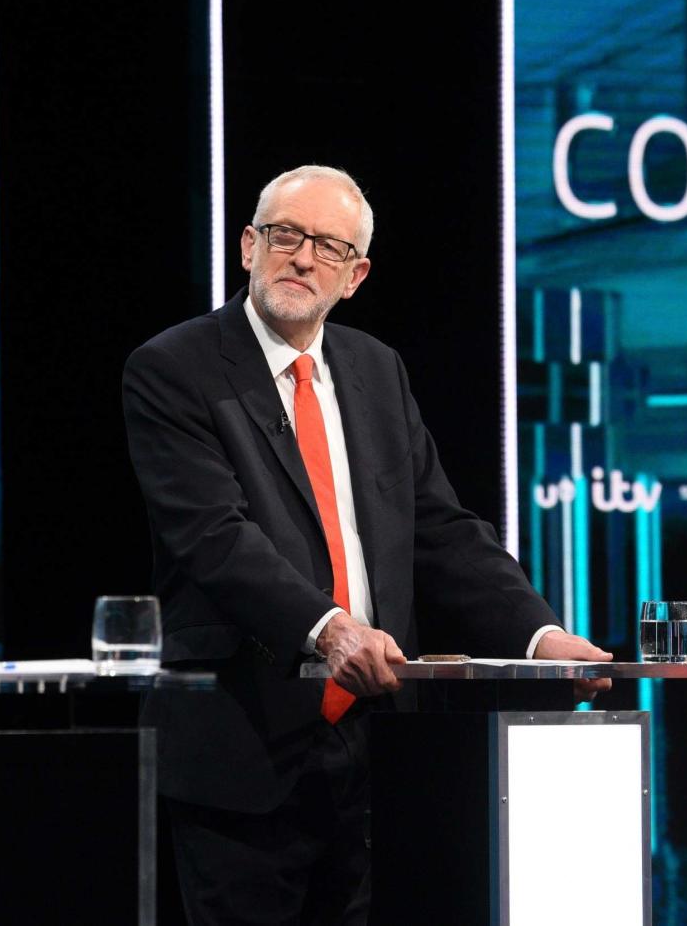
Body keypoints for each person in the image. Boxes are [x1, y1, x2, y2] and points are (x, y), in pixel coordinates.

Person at [121, 165, 610, 925]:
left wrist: (538, 634)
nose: (303, 258)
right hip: (244, 751)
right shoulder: (172, 369)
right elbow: (212, 537)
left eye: (329, 245)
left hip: (380, 750)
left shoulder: (378, 371)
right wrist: (329, 626)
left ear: (356, 274)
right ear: (249, 244)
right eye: (285, 235)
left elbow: (442, 531)